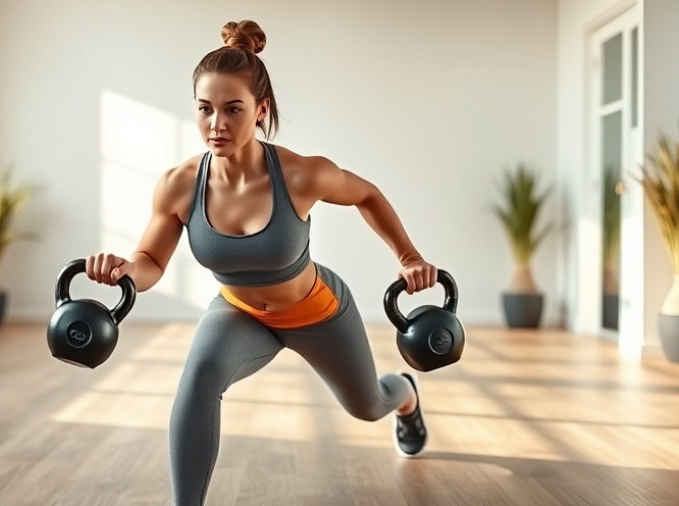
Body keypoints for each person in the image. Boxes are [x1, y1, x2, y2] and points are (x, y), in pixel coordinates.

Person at [85, 19, 438, 505]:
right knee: (197, 384)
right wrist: (125, 269)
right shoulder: (179, 184)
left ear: (260, 110)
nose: (217, 125)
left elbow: (367, 195)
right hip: (239, 314)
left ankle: (406, 396)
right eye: (205, 110)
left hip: (317, 312)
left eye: (233, 110)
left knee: (368, 406)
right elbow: (149, 261)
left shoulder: (299, 174)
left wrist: (409, 256)